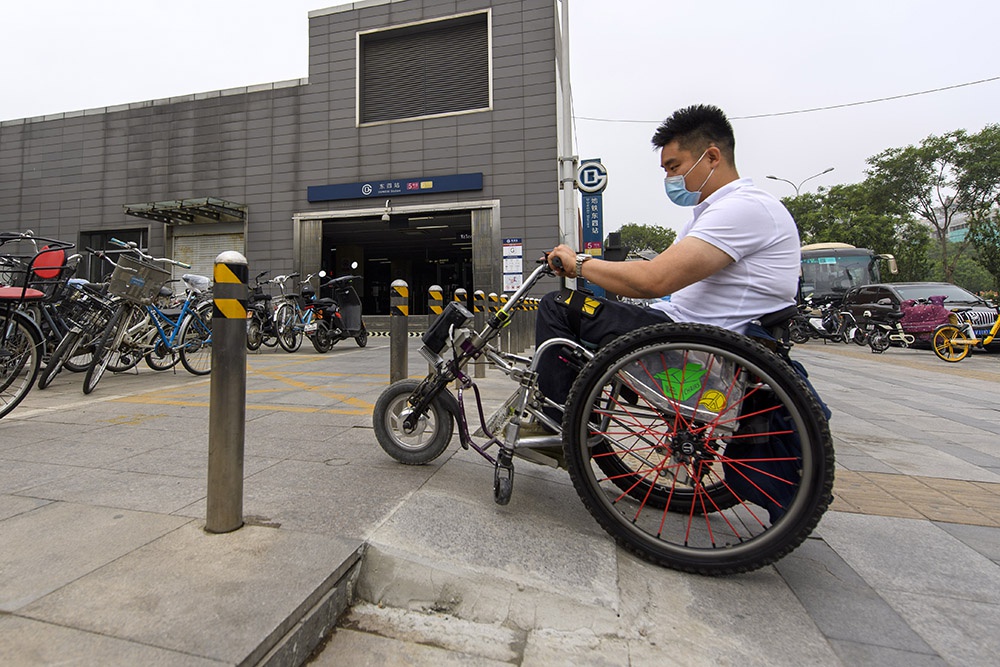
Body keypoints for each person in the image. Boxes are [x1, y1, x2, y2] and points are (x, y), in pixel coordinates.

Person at [535, 103, 801, 414]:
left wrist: (579, 263)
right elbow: (658, 274)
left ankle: (557, 419)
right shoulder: (710, 214)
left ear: (712, 157)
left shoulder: (743, 208)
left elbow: (654, 279)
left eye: (674, 167)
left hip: (693, 337)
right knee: (598, 313)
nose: (669, 178)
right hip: (687, 326)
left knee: (559, 306)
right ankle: (580, 407)